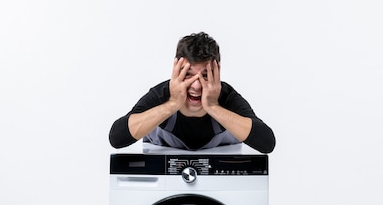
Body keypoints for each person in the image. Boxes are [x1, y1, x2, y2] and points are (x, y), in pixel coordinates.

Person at [109, 32, 275, 153]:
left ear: (217, 74)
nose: (196, 86)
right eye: (187, 75)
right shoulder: (162, 94)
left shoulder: (226, 96)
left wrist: (213, 106)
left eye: (205, 76)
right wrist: (173, 104)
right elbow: (117, 137)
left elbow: (267, 142)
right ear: (175, 71)